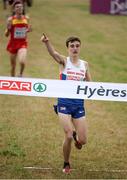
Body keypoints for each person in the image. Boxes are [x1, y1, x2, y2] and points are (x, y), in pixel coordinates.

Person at [41, 33, 92, 174]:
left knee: (83, 141)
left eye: (77, 46)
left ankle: (77, 137)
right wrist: (47, 43)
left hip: (78, 105)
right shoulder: (64, 61)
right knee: (68, 135)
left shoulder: (85, 64)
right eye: (72, 46)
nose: (74, 48)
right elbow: (53, 53)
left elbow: (90, 84)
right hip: (63, 103)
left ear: (79, 47)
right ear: (68, 48)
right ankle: (66, 162)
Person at [5, 0, 32, 77]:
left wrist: (28, 30)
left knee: (22, 61)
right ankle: (12, 80)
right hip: (12, 44)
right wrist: (8, 29)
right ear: (14, 9)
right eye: (17, 7)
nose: (19, 8)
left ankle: (20, 74)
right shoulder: (10, 19)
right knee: (13, 66)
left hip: (22, 44)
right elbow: (6, 35)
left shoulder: (26, 18)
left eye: (21, 7)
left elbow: (26, 29)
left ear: (23, 8)